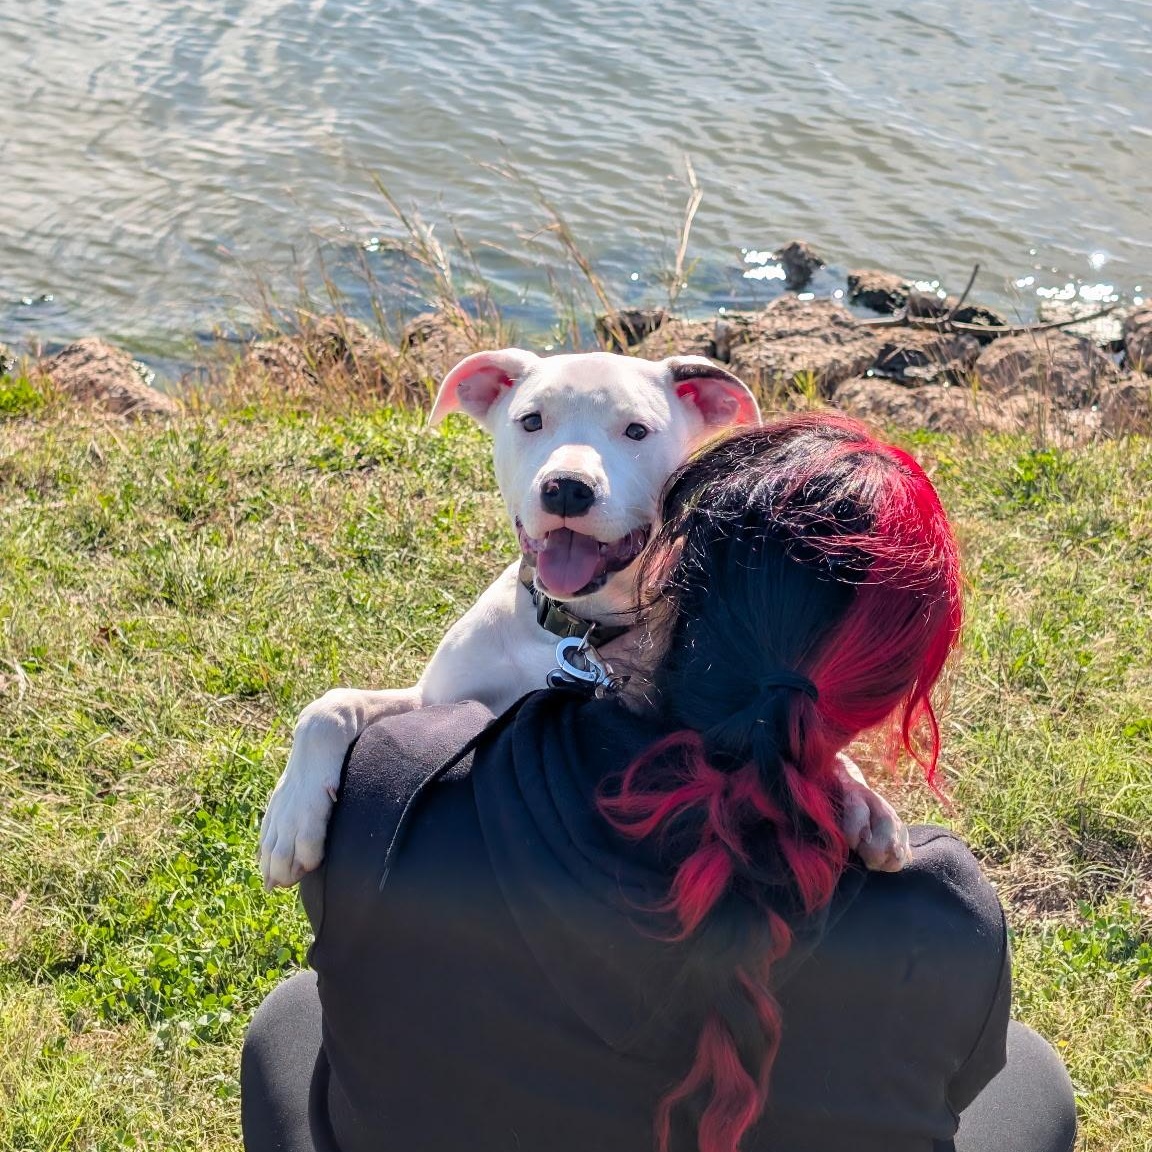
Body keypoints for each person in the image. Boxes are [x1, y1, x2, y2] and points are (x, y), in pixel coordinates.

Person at [242, 414, 1076, 1152]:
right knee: (1032, 1075)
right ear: (886, 696)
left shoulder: (392, 787)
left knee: (292, 1017)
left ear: (665, 578)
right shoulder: (938, 916)